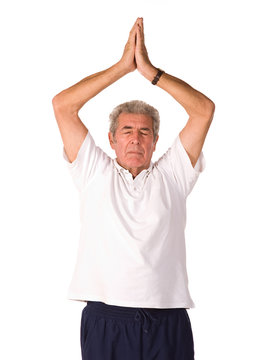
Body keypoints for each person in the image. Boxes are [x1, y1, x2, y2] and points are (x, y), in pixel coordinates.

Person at [52, 17, 215, 360]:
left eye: (144, 132)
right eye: (127, 130)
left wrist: (151, 73)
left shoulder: (173, 175)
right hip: (107, 320)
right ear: (111, 139)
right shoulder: (93, 170)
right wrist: (123, 67)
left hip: (167, 321)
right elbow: (63, 105)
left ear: (156, 141)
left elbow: (203, 111)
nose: (135, 138)